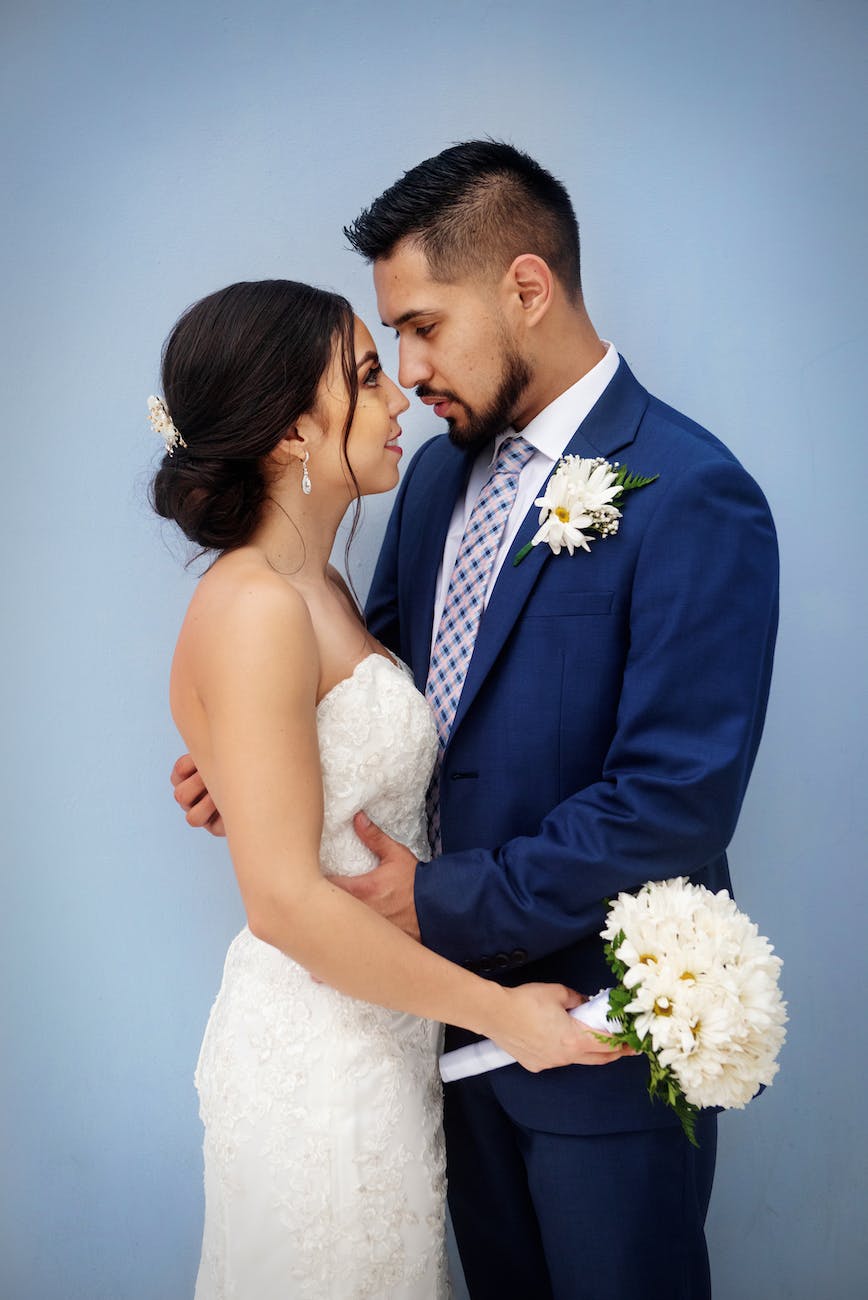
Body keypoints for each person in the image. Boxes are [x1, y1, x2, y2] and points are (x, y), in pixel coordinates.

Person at [174, 143, 779, 1297]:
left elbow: (674, 796)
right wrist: (257, 759)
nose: (407, 370)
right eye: (385, 343)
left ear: (525, 288)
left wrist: (438, 899)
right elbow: (378, 687)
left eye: (421, 326)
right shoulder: (440, 477)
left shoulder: (694, 491)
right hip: (425, 1046)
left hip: (590, 1036)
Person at [153, 278, 630, 1300]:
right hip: (317, 1054)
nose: (399, 397)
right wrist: (504, 1012)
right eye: (367, 379)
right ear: (292, 429)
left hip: (382, 1035)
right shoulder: (253, 607)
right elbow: (282, 900)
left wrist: (242, 778)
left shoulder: (320, 587)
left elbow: (322, 766)